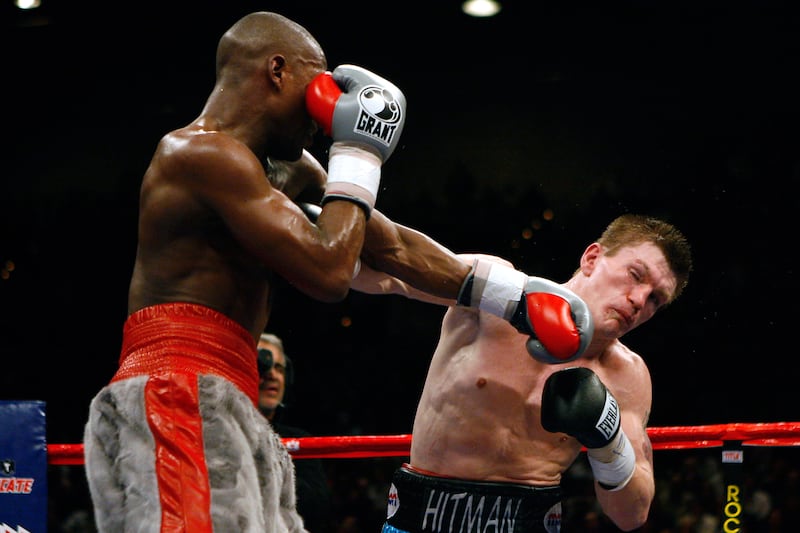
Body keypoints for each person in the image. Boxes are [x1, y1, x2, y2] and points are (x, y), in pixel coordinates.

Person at [81, 11, 412, 532]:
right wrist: (360, 150)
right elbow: (330, 269)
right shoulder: (199, 153)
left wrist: (503, 293)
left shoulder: (291, 169)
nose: (324, 106)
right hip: (177, 386)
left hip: (232, 399)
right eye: (316, 79)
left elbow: (388, 245)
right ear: (277, 71)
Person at [351, 213, 692, 532]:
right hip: (424, 514)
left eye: (655, 300)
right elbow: (384, 269)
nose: (639, 300)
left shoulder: (627, 376)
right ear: (591, 259)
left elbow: (631, 515)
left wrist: (609, 441)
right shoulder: (496, 293)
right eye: (636, 275)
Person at [257, 332, 333, 533]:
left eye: (279, 368)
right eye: (263, 365)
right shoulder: (221, 434)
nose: (272, 374)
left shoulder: (300, 440)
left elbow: (317, 507)